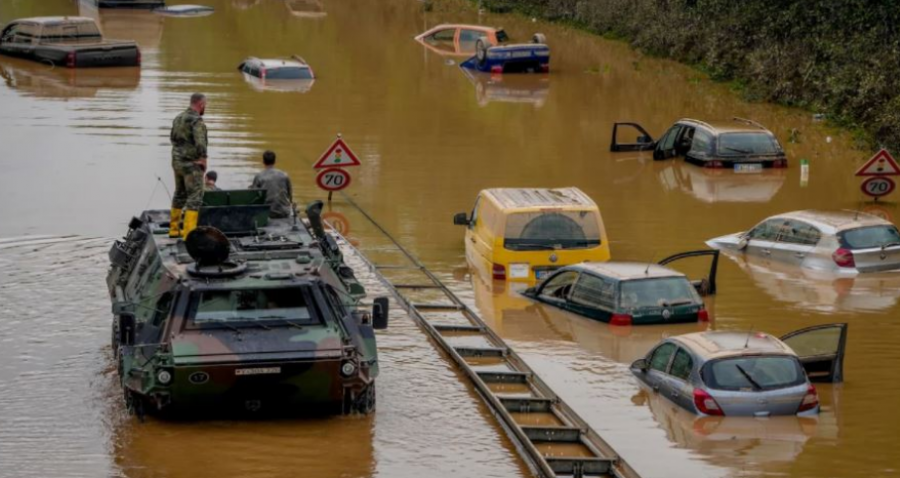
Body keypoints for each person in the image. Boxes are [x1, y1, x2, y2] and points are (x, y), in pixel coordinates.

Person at [169, 93, 208, 239]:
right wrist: (203, 159)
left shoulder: (178, 118)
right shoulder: (196, 121)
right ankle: (189, 234)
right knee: (194, 197)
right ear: (201, 104)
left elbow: (173, 138)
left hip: (177, 162)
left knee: (179, 194)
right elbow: (200, 142)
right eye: (205, 105)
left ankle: (174, 230)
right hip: (191, 164)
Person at [250, 150, 293, 219]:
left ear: (263, 162)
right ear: (275, 161)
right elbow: (290, 196)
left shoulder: (259, 176)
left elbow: (254, 197)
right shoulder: (284, 175)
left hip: (267, 213)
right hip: (284, 212)